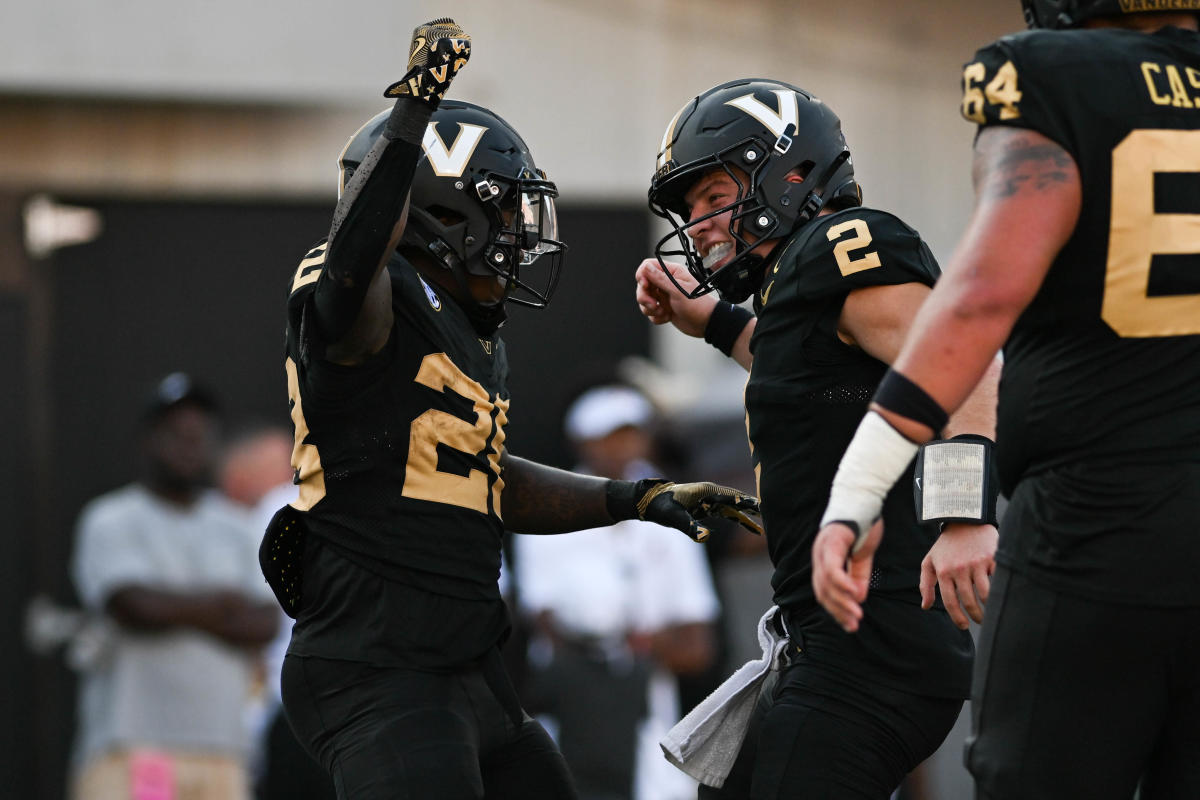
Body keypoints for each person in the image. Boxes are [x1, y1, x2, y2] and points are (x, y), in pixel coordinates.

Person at [261, 18, 760, 800]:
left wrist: (638, 496)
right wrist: (412, 115)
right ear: (443, 211)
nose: (520, 235)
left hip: (465, 673)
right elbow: (353, 272)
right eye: (505, 212)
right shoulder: (370, 290)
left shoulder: (461, 329)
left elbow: (481, 477)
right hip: (376, 671)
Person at [812, 3, 1200, 798]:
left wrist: (898, 498)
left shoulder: (1051, 81)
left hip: (1099, 528)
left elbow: (977, 317)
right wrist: (717, 325)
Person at [635, 78, 1001, 798]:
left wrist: (964, 514)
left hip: (872, 649)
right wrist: (709, 320)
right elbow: (809, 377)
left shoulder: (838, 245)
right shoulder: (796, 285)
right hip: (825, 641)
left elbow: (965, 364)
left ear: (791, 172)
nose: (701, 224)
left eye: (713, 198)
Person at [69, 372, 280, 800]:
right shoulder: (111, 518)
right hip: (136, 745)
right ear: (149, 440)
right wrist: (221, 604)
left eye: (200, 434)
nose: (190, 444)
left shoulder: (238, 527)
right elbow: (133, 608)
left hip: (223, 750)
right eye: (176, 434)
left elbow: (264, 624)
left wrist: (172, 603)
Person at [513, 383, 721, 800]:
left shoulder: (674, 515)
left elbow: (698, 645)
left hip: (650, 724)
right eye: (610, 435)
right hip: (569, 717)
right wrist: (620, 642)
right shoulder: (547, 512)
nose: (623, 446)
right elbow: (544, 622)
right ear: (583, 441)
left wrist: (635, 646)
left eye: (632, 432)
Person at [217, 425, 336, 800]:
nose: (294, 472)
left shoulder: (277, 509)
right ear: (237, 480)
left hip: (295, 712)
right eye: (282, 466)